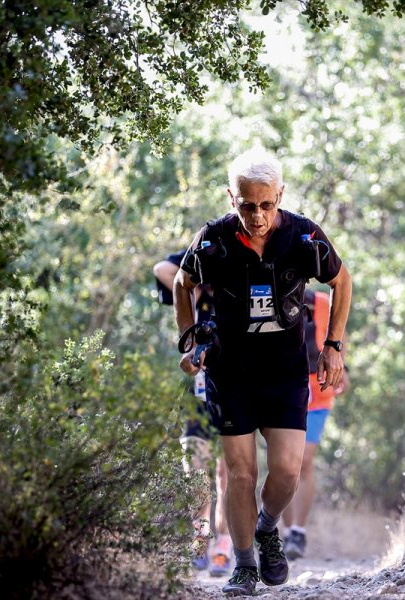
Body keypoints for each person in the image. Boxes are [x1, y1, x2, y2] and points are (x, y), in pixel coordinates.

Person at [173, 148, 352, 596]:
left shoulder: (304, 237)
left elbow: (342, 281)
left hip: (287, 372)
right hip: (230, 372)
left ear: (280, 196)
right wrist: (190, 338)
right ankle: (245, 564)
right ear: (231, 197)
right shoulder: (213, 240)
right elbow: (181, 282)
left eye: (267, 205)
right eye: (247, 205)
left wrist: (333, 346)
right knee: (240, 473)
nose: (257, 215)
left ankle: (268, 527)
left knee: (289, 470)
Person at [153, 254, 233, 578]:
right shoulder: (195, 290)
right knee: (195, 469)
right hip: (197, 392)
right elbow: (162, 270)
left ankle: (225, 545)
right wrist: (198, 279)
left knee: (227, 475)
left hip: (234, 392)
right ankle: (199, 537)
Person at [281, 289, 349, 559]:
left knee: (304, 461)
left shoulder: (322, 302)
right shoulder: (272, 297)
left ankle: (299, 530)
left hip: (318, 391)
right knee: (285, 464)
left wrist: (344, 368)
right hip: (283, 389)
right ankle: (286, 532)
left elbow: (339, 337)